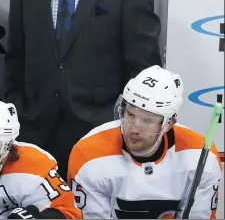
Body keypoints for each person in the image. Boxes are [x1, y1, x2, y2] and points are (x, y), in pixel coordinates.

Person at [4, 0, 162, 179]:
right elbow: (17, 56)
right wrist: (19, 110)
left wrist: (124, 125)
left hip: (101, 134)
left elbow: (143, 66)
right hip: (35, 132)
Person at [68, 65, 223, 219]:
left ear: (168, 124)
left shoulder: (201, 157)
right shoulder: (89, 154)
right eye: (129, 114)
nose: (134, 128)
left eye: (147, 120)